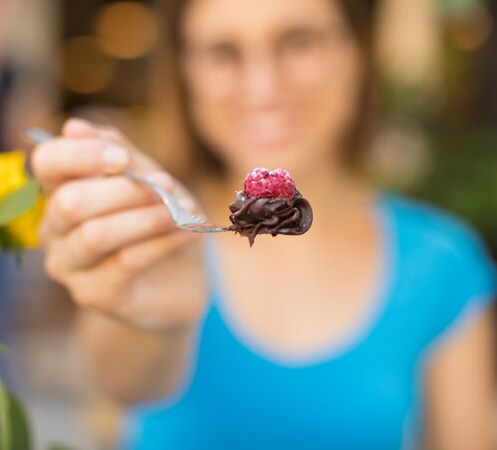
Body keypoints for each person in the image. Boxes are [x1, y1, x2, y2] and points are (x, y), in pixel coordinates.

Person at [31, 0, 496, 448]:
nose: (263, 88)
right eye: (223, 52)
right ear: (184, 72)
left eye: (299, 42)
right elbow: (122, 387)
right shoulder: (153, 239)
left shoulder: (443, 263)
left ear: (358, 51)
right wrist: (153, 322)